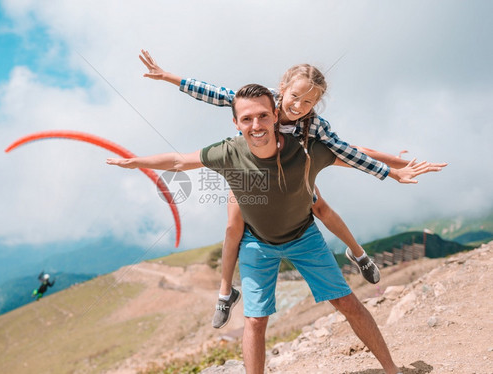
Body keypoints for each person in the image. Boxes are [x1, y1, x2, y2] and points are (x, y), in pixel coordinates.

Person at [107, 84, 443, 373]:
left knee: (348, 304)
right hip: (258, 245)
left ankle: (391, 369)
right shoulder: (228, 152)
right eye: (247, 118)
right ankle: (227, 295)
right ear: (236, 122)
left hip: (305, 238)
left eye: (263, 116)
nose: (256, 125)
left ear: (276, 115)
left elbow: (355, 154)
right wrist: (136, 162)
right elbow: (179, 161)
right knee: (255, 320)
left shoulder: (306, 150)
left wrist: (399, 165)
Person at [138, 50, 447, 329]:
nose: (298, 106)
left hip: (293, 174)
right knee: (234, 226)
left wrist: (392, 168)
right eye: (295, 97)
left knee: (320, 208)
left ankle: (358, 254)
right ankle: (225, 293)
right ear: (282, 89)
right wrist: (167, 76)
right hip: (251, 169)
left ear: (316, 103)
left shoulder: (315, 125)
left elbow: (348, 150)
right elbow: (216, 94)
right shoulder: (265, 102)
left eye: (308, 101)